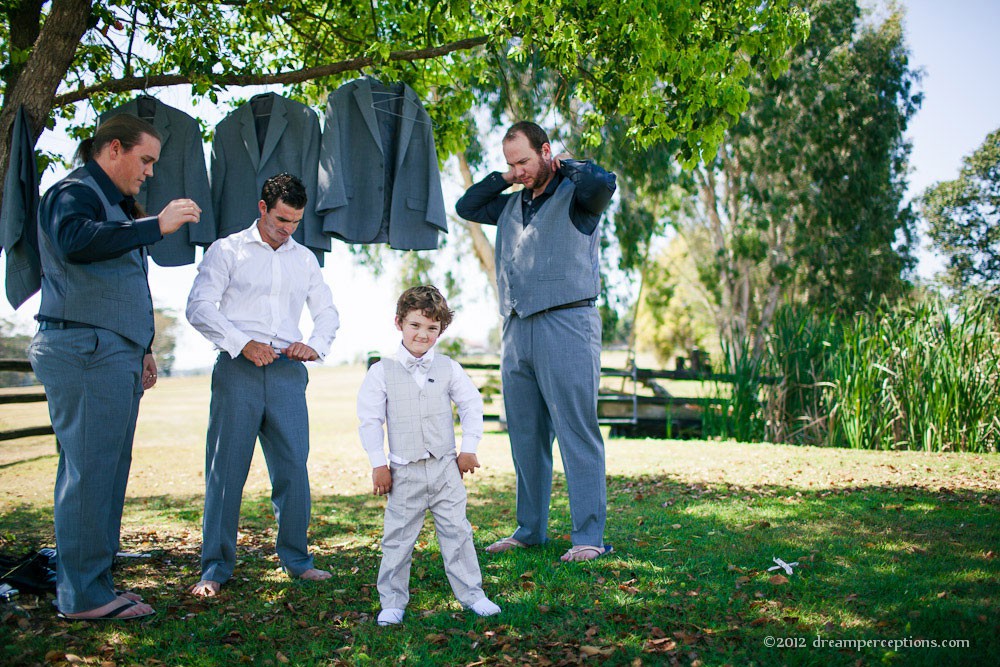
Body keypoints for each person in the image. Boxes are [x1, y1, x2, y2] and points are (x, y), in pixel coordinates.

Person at [27, 114, 201, 620]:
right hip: (84, 351)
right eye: (145, 160)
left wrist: (142, 345)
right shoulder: (74, 192)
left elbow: (119, 282)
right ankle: (81, 597)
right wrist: (156, 225)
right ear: (113, 149)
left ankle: (95, 586)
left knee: (105, 473)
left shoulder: (113, 206)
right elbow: (75, 243)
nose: (149, 172)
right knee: (90, 473)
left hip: (111, 351)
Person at [455, 121, 617, 562]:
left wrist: (569, 165)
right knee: (525, 435)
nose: (519, 171)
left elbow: (604, 182)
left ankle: (588, 538)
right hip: (516, 328)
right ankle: (530, 530)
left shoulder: (580, 196)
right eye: (511, 164)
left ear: (546, 151)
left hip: (567, 323)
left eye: (524, 161)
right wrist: (508, 178)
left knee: (575, 432)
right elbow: (467, 205)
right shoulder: (509, 204)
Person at [185, 172, 340, 596]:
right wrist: (241, 343)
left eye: (294, 222)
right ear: (262, 208)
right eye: (280, 221)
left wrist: (315, 344)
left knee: (293, 469)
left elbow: (327, 311)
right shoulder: (227, 251)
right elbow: (198, 307)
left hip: (289, 372)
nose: (287, 230)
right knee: (226, 471)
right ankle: (215, 568)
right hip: (239, 369)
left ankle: (297, 559)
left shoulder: (304, 259)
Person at [357, 285, 502, 625]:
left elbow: (471, 405)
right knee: (398, 539)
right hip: (403, 472)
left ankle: (473, 594)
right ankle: (392, 601)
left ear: (441, 330)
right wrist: (379, 463)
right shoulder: (381, 371)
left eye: (432, 328)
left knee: (458, 533)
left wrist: (469, 449)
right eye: (415, 325)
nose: (423, 334)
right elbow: (370, 420)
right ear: (399, 323)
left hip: (444, 469)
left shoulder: (449, 367)